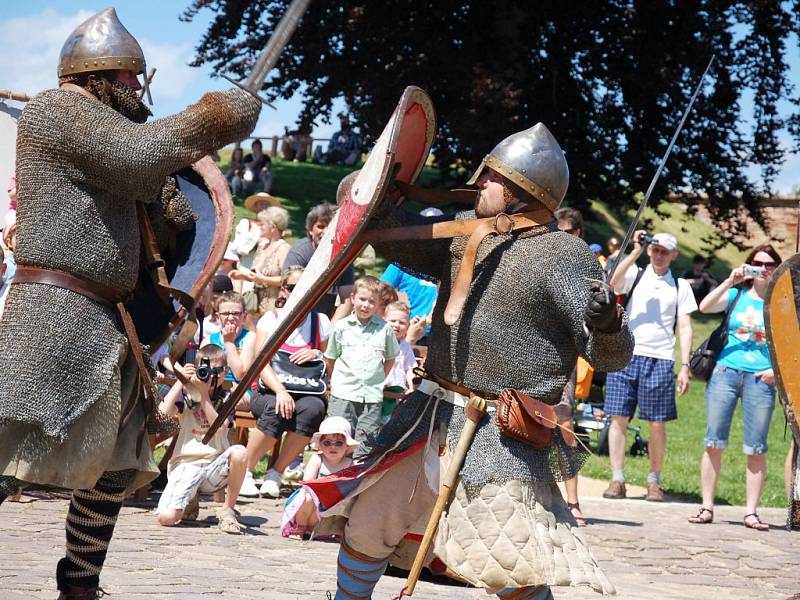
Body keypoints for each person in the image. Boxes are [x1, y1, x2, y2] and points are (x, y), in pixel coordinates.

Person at [0, 8, 260, 598]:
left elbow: (162, 200)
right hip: (54, 315)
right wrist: (218, 113)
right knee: (8, 448)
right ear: (100, 76)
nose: (136, 91)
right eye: (128, 80)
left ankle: (80, 584)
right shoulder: (59, 110)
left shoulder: (108, 132)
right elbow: (141, 158)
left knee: (115, 467)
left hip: (109, 320)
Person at [319, 123, 632, 599]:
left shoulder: (564, 256)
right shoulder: (465, 234)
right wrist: (370, 188)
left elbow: (609, 355)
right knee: (368, 524)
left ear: (522, 192)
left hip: (499, 433)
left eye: (492, 177)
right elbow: (383, 232)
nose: (479, 182)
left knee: (508, 560)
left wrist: (608, 322)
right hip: (427, 415)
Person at [687, 244, 782, 531]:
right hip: (725, 373)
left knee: (756, 447)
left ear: (777, 268)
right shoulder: (737, 294)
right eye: (757, 263)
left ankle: (751, 512)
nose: (763, 269)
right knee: (713, 441)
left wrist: (775, 372)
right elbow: (704, 307)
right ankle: (707, 506)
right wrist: (731, 280)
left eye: (769, 264)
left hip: (761, 378)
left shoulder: (782, 302)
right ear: (748, 265)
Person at [604, 231, 697, 501]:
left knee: (657, 423)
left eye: (664, 252)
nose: (658, 255)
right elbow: (612, 281)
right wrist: (634, 250)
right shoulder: (636, 274)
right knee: (618, 418)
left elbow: (685, 326)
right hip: (626, 354)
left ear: (673, 255)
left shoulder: (680, 285)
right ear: (649, 251)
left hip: (660, 358)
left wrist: (685, 365)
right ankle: (617, 478)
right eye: (655, 250)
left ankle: (654, 480)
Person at [239, 266, 330, 498]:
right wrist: (280, 390)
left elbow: (330, 364)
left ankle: (276, 472)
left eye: (304, 287)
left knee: (313, 409)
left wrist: (317, 354)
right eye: (292, 287)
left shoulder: (320, 322)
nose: (297, 292)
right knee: (275, 408)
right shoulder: (271, 319)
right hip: (270, 388)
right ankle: (245, 470)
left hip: (306, 388)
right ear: (283, 290)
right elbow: (261, 361)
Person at [156, 345, 247, 534]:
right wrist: (181, 381)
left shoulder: (227, 397)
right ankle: (190, 498)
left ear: (225, 373)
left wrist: (204, 396)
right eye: (205, 371)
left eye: (216, 372)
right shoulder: (186, 392)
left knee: (240, 452)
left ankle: (228, 508)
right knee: (166, 518)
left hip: (215, 465)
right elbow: (160, 416)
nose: (210, 377)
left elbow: (219, 431)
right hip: (186, 463)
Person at [324, 275, 400, 442]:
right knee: (337, 440)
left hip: (371, 397)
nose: (366, 305)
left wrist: (377, 379)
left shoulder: (385, 329)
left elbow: (390, 359)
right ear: (353, 298)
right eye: (362, 299)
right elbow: (330, 358)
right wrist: (336, 380)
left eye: (372, 302)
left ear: (378, 304)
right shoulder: (341, 327)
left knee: (365, 443)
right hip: (343, 394)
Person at [554, 207, 588, 526]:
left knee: (564, 426)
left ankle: (573, 500)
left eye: (565, 233)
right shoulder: (544, 260)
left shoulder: (585, 269)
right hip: (534, 350)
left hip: (564, 355)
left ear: (577, 234)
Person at [281, 416, 359, 539]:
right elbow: (307, 484)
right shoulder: (318, 459)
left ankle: (334, 530)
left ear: (347, 446)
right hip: (312, 508)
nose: (332, 447)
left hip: (331, 512)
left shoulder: (350, 464)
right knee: (307, 497)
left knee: (350, 502)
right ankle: (300, 527)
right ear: (320, 446)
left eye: (339, 443)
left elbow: (353, 488)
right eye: (327, 443)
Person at [284, 202, 355, 316]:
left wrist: (332, 327)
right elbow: (288, 291)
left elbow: (347, 298)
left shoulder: (343, 255)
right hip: (295, 314)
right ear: (310, 230)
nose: (326, 232)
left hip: (326, 316)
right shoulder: (299, 252)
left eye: (332, 227)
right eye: (320, 226)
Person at [230, 206, 291, 319]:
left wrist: (262, 280)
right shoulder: (262, 246)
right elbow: (256, 275)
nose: (259, 227)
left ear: (273, 227)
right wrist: (243, 275)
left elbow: (286, 279)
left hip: (273, 308)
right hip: (255, 308)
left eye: (262, 224)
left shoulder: (284, 248)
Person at [207, 291, 254, 387]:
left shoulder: (250, 338)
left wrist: (229, 342)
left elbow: (240, 375)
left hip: (241, 391)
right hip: (214, 388)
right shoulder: (209, 340)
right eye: (225, 313)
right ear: (218, 316)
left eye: (236, 313)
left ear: (244, 316)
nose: (231, 317)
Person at [381, 301, 418, 421]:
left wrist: (412, 387)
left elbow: (410, 368)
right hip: (380, 392)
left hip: (398, 394)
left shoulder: (404, 346)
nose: (396, 325)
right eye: (392, 321)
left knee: (392, 422)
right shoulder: (378, 342)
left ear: (407, 327)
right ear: (383, 320)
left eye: (402, 323)